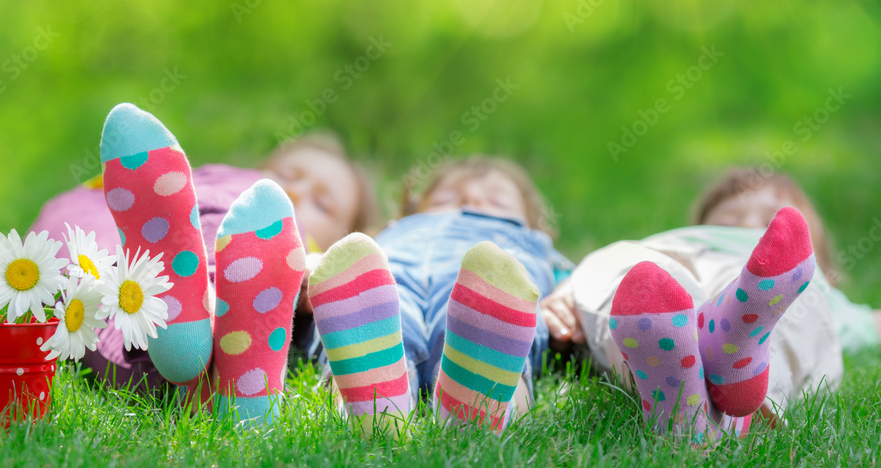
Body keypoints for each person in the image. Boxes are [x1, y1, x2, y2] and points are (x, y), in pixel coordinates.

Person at [30, 106, 378, 397]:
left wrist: (316, 277)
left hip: (216, 277)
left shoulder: (314, 247)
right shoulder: (226, 179)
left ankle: (189, 322)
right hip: (154, 241)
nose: (296, 190)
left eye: (323, 203)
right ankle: (200, 328)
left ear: (340, 237)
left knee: (269, 244)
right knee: (93, 275)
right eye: (285, 173)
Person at [539, 167, 872, 426]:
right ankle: (721, 360)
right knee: (634, 276)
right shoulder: (681, 239)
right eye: (730, 216)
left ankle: (697, 403)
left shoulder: (822, 290)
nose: (747, 224)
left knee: (796, 310)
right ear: (705, 223)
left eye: (770, 217)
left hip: (774, 283)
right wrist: (574, 285)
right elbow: (596, 277)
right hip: (680, 258)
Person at [304, 155, 574, 434]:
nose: (470, 200)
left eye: (497, 202)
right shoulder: (394, 232)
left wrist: (568, 293)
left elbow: (574, 281)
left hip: (484, 285)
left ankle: (484, 407)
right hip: (391, 283)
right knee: (368, 315)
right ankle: (371, 405)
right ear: (410, 212)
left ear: (531, 223)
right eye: (446, 198)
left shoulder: (533, 242)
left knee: (491, 322)